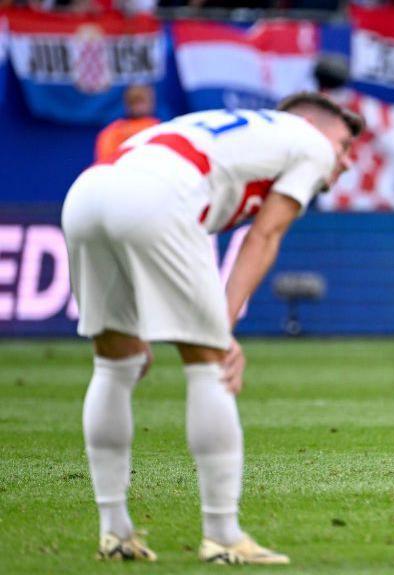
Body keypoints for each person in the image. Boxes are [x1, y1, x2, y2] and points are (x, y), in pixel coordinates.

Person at [62, 92, 363, 564]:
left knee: (115, 366)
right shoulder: (309, 142)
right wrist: (223, 329)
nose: (345, 160)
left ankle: (114, 532)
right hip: (157, 198)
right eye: (344, 144)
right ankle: (223, 535)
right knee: (210, 369)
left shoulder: (237, 126)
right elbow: (264, 235)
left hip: (88, 193)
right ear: (312, 124)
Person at [94, 85, 160, 164]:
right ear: (128, 104)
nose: (139, 107)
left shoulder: (159, 127)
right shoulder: (112, 132)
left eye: (141, 101)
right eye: (135, 102)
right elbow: (105, 163)